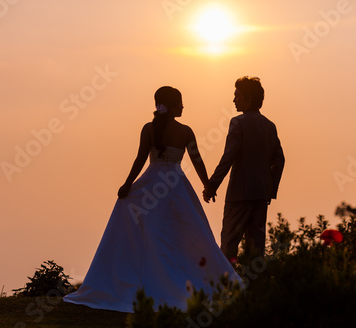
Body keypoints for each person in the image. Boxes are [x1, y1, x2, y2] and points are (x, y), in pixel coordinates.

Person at [64, 86, 242, 312]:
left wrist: (128, 184)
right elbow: (197, 161)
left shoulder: (149, 128)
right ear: (172, 105)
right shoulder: (185, 131)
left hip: (151, 185)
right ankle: (185, 277)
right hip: (176, 185)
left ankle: (143, 274)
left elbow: (140, 159)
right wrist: (207, 185)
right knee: (185, 232)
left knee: (152, 231)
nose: (183, 106)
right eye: (180, 102)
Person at [203, 76, 285, 264]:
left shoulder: (237, 123)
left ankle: (226, 286)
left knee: (229, 245)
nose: (234, 100)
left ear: (249, 99)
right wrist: (271, 189)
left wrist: (212, 185)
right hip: (261, 195)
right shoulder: (269, 126)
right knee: (256, 250)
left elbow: (228, 157)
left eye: (237, 96)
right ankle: (253, 290)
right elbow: (280, 160)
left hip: (239, 195)